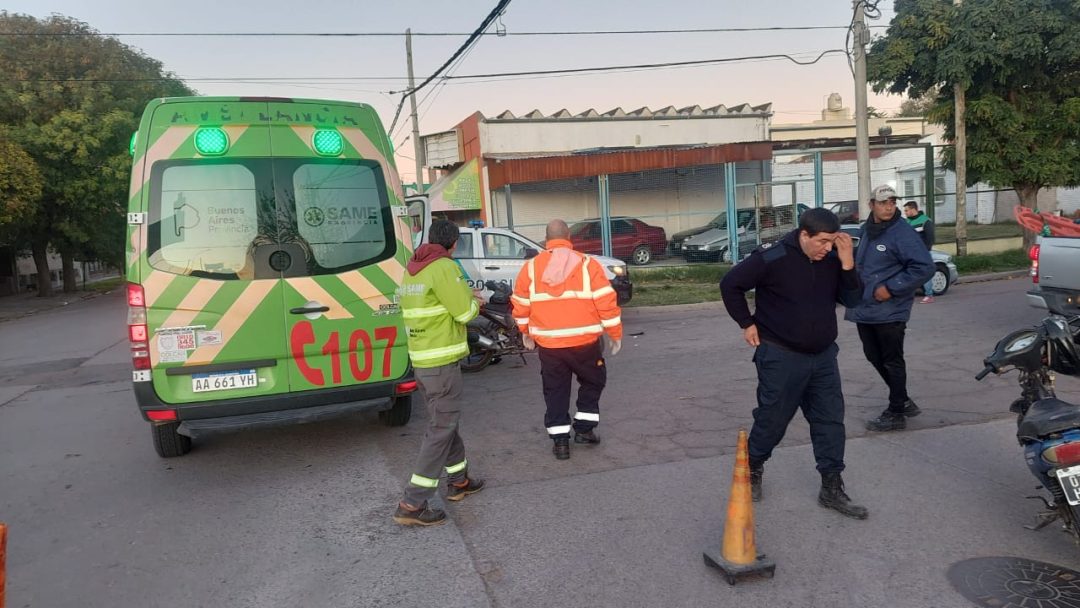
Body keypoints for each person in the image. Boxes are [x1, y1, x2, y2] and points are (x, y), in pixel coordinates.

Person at [719, 208, 868, 519]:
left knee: (830, 421)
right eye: (823, 242)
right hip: (780, 355)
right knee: (772, 420)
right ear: (804, 235)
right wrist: (746, 323)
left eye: (832, 242)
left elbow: (854, 301)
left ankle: (831, 486)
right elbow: (730, 284)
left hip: (824, 357)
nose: (827, 247)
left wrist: (847, 261)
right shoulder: (772, 258)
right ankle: (754, 468)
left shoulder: (832, 260)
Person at [393, 220, 485, 526]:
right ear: (454, 243)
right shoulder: (444, 267)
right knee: (440, 429)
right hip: (442, 361)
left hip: (422, 360)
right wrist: (475, 303)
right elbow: (464, 313)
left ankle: (459, 480)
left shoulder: (413, 268)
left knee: (444, 422)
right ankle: (412, 503)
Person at [512, 219, 623, 460]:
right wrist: (615, 334)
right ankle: (584, 430)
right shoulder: (588, 265)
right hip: (585, 344)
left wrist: (525, 331)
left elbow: (521, 304)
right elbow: (606, 302)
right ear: (569, 238)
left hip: (550, 346)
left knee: (555, 391)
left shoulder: (530, 268)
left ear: (546, 240)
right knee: (593, 382)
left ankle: (560, 443)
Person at [847, 186, 935, 433]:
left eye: (893, 202)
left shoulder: (901, 232)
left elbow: (924, 267)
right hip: (866, 307)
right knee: (873, 355)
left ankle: (896, 411)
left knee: (892, 360)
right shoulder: (868, 230)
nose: (889, 207)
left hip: (890, 309)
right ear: (871, 203)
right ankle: (903, 400)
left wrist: (892, 287)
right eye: (884, 202)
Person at [903, 200, 937, 303]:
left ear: (913, 209)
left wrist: (925, 251)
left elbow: (930, 238)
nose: (905, 213)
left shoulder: (925, 221)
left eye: (907, 210)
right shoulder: (907, 222)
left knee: (924, 273)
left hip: (923, 252)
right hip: (910, 252)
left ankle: (929, 295)